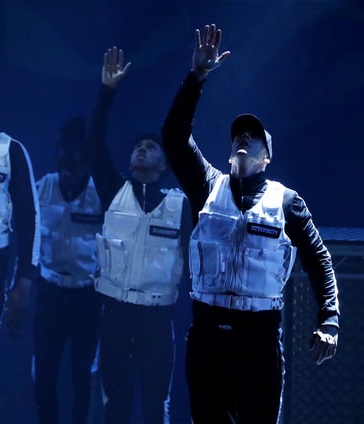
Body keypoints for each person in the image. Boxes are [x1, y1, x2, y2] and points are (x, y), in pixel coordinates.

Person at [161, 24, 340, 423]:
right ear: (229, 152)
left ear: (266, 157)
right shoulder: (206, 184)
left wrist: (329, 318)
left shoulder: (287, 202)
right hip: (208, 338)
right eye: (238, 134)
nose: (244, 137)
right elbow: (173, 136)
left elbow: (319, 260)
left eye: (253, 136)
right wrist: (197, 78)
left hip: (258, 341)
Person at [88, 47, 192, 423]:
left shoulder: (180, 207)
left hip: (157, 318)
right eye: (137, 148)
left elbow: (194, 266)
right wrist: (107, 91)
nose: (141, 152)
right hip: (115, 312)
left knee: (154, 406)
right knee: (114, 404)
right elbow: (94, 144)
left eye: (150, 148)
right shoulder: (113, 190)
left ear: (164, 163)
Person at [32, 117, 103, 424]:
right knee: (44, 373)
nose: (68, 171)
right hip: (50, 292)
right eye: (63, 161)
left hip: (87, 296)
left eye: (75, 162)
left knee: (82, 374)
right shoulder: (42, 187)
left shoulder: (101, 193)